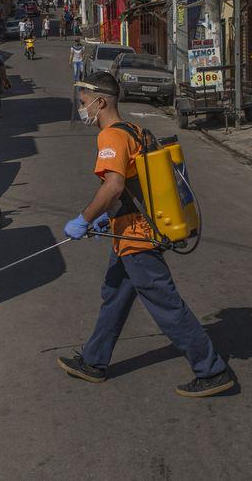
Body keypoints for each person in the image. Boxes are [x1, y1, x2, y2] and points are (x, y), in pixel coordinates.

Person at [56, 72, 233, 398]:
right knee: (115, 294)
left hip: (137, 237)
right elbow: (134, 187)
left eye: (84, 103)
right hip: (131, 231)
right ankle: (94, 361)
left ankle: (211, 369)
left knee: (165, 304)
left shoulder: (111, 136)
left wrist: (84, 218)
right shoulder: (133, 130)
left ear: (100, 102)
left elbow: (114, 186)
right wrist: (107, 219)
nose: (82, 109)